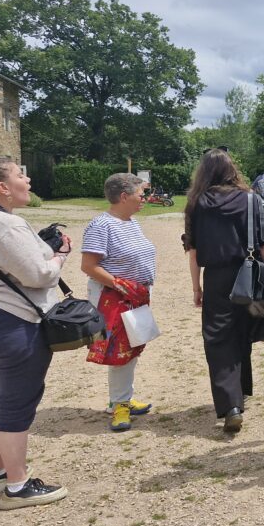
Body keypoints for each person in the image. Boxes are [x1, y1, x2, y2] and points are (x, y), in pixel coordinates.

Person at [0, 158, 69, 509]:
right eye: (20, 175)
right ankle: (18, 486)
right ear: (2, 187)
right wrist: (60, 255)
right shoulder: (6, 224)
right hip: (15, 322)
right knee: (16, 402)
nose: (28, 179)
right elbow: (39, 275)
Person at [184, 149, 264, 434]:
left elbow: (193, 250)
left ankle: (231, 404)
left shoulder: (196, 203)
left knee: (218, 338)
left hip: (217, 277)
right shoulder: (250, 199)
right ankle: (241, 390)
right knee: (243, 331)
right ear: (232, 169)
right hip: (248, 271)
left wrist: (196, 287)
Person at [81, 173, 157, 432]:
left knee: (131, 347)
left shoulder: (131, 222)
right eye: (141, 194)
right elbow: (88, 265)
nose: (144, 198)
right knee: (120, 351)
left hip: (134, 295)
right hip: (114, 297)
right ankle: (120, 405)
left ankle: (121, 397)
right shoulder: (101, 225)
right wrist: (120, 285)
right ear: (124, 196)